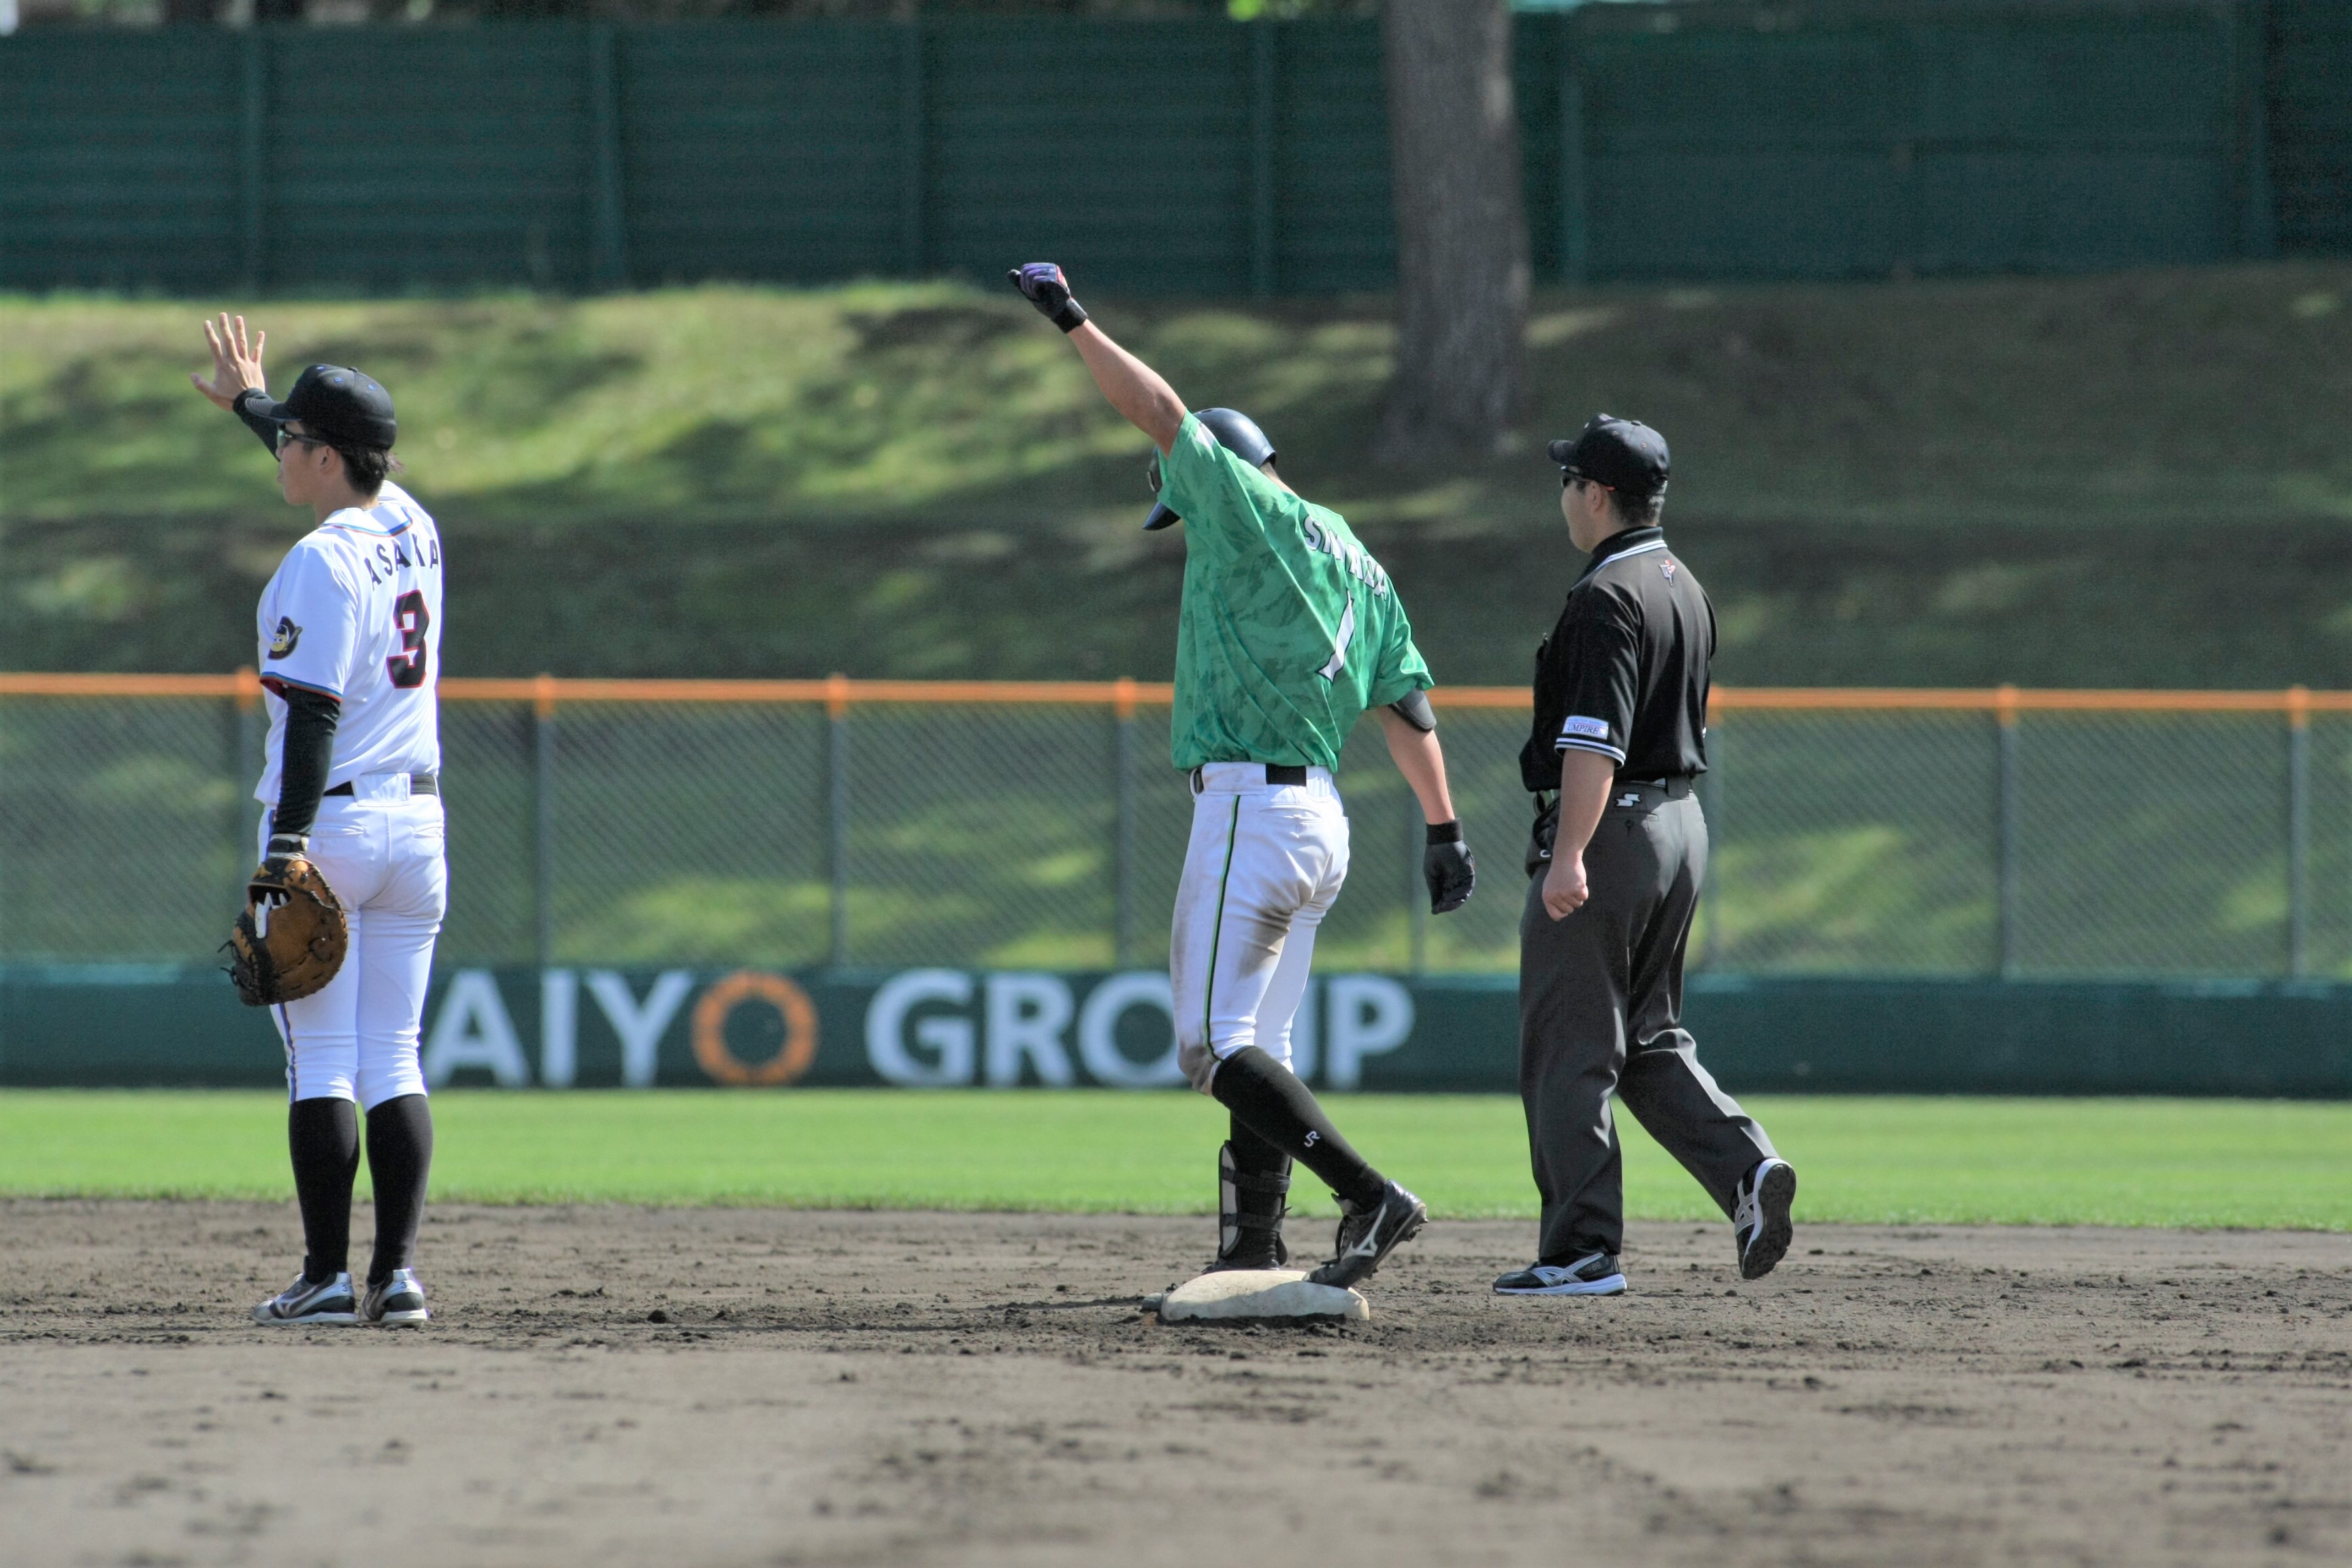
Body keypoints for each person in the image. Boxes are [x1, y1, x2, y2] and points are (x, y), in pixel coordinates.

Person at [1009, 263, 1476, 1286]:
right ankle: (1255, 1250)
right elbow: (1408, 704)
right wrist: (1446, 831)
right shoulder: (1354, 553)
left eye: (1184, 497)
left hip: (1250, 815)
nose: (1185, 518)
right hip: (1322, 822)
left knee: (1211, 1050)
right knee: (1262, 1047)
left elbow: (1161, 410)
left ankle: (1369, 1196)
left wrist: (1074, 320)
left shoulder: (1244, 507)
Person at [1499, 414, 1795, 1297]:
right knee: (1650, 1039)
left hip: (1615, 828)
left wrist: (1571, 854)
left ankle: (1581, 1249)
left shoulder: (1604, 597)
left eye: (1567, 481)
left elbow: (1595, 742)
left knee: (1571, 1046)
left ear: (1595, 493)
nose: (1563, 496)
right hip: (1680, 825)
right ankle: (1748, 1170)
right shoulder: (1684, 585)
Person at [191, 314, 447, 1326]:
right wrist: (252, 403)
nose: (282, 451)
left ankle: (325, 1277)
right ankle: (398, 1280)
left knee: (321, 1063)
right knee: (397, 1053)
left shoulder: (314, 564)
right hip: (420, 831)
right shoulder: (413, 521)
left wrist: (285, 850)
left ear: (328, 455)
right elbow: (334, 472)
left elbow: (313, 717)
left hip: (330, 827)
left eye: (294, 438)